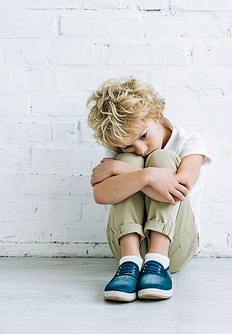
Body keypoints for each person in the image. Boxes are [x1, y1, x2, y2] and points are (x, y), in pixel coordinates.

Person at [86, 77, 211, 301]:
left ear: (155, 114)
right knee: (130, 161)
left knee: (162, 158)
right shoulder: (122, 153)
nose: (141, 149)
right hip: (125, 250)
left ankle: (157, 261)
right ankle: (130, 263)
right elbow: (100, 194)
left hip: (176, 247)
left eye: (143, 136)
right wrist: (146, 175)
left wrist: (132, 173)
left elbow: (178, 190)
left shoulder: (189, 143)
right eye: (128, 144)